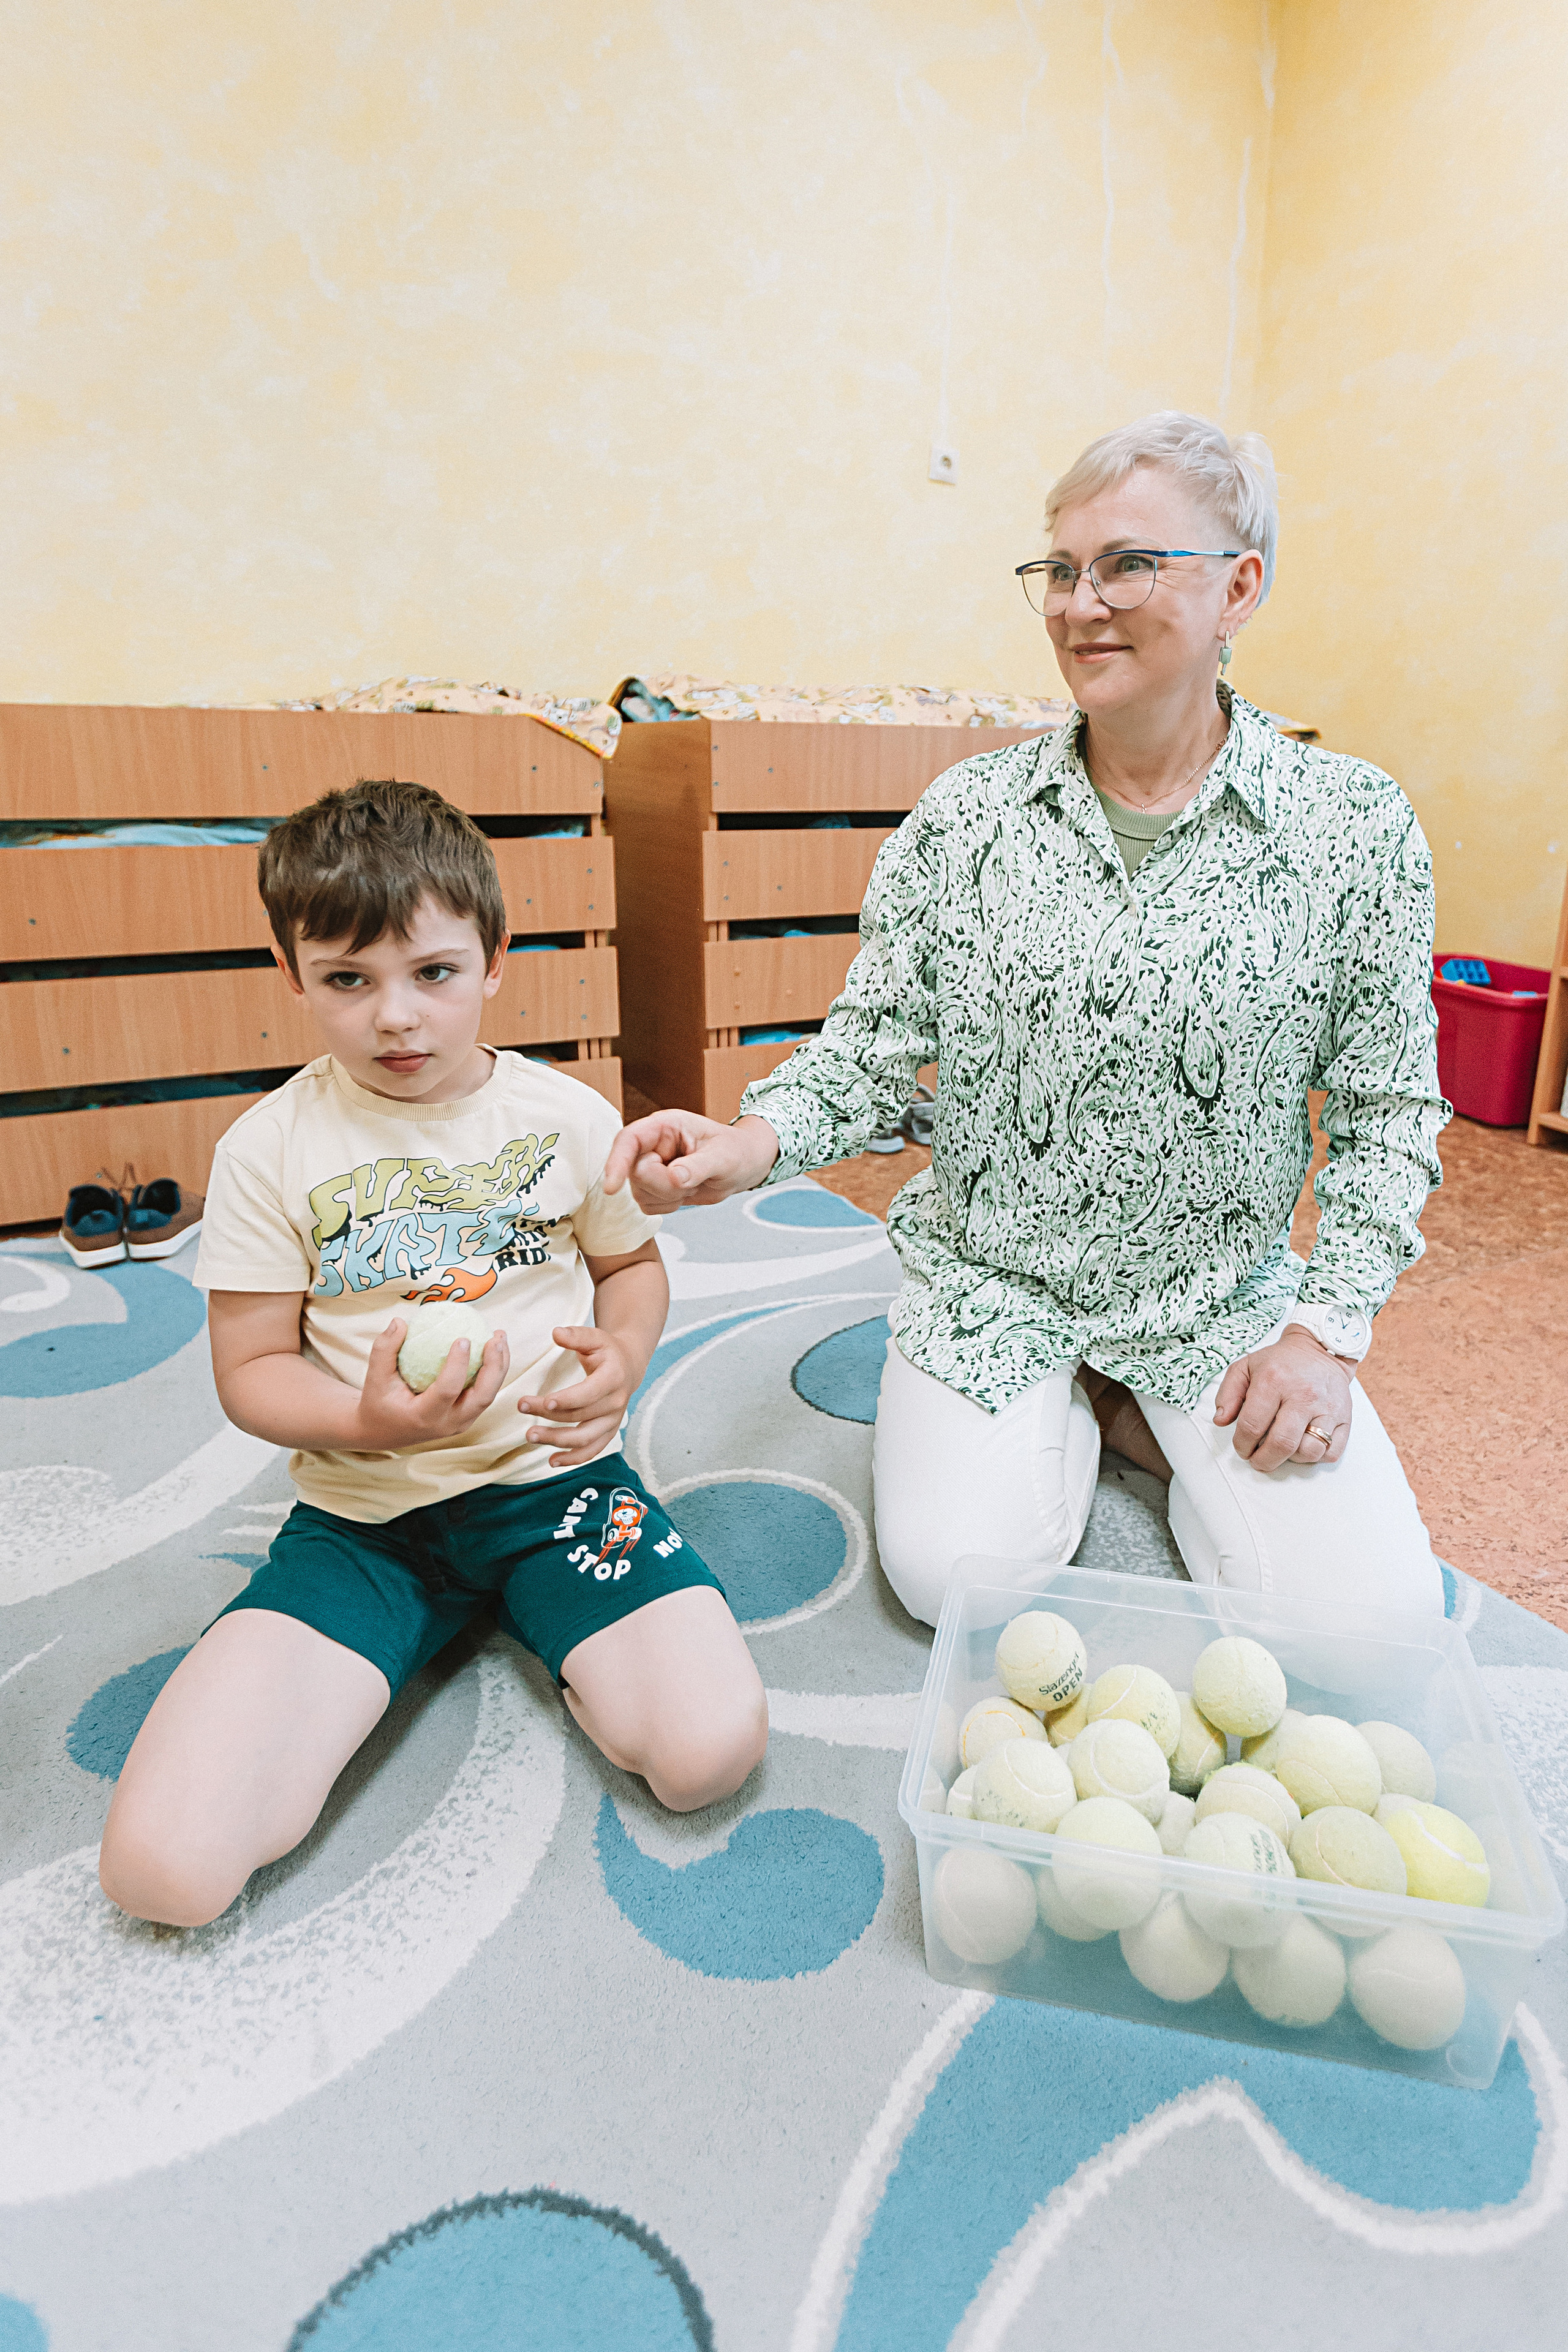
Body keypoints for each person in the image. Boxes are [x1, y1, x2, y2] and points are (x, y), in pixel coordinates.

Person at [605, 411, 1450, 1627]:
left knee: (1371, 1632)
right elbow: (871, 1049)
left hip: (1212, 1292)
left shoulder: (1352, 828)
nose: (1079, 605)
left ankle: (1129, 1405)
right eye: (1059, 570)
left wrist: (1323, 1335)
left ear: (1239, 588)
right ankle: (1095, 1404)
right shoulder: (967, 820)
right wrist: (747, 1146)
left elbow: (1388, 1112)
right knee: (956, 1583)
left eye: (1127, 565)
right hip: (993, 1283)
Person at [100, 780, 766, 1929]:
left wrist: (623, 1355)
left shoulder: (565, 1116)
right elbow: (250, 1372)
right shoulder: (266, 1150)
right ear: (291, 973)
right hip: (365, 1523)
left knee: (707, 1754)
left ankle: (545, 1618)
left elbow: (631, 1268)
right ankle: (432, 1623)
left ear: (496, 961)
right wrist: (371, 1425)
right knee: (165, 1874)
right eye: (348, 980)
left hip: (558, 1491)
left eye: (435, 973)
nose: (397, 1018)